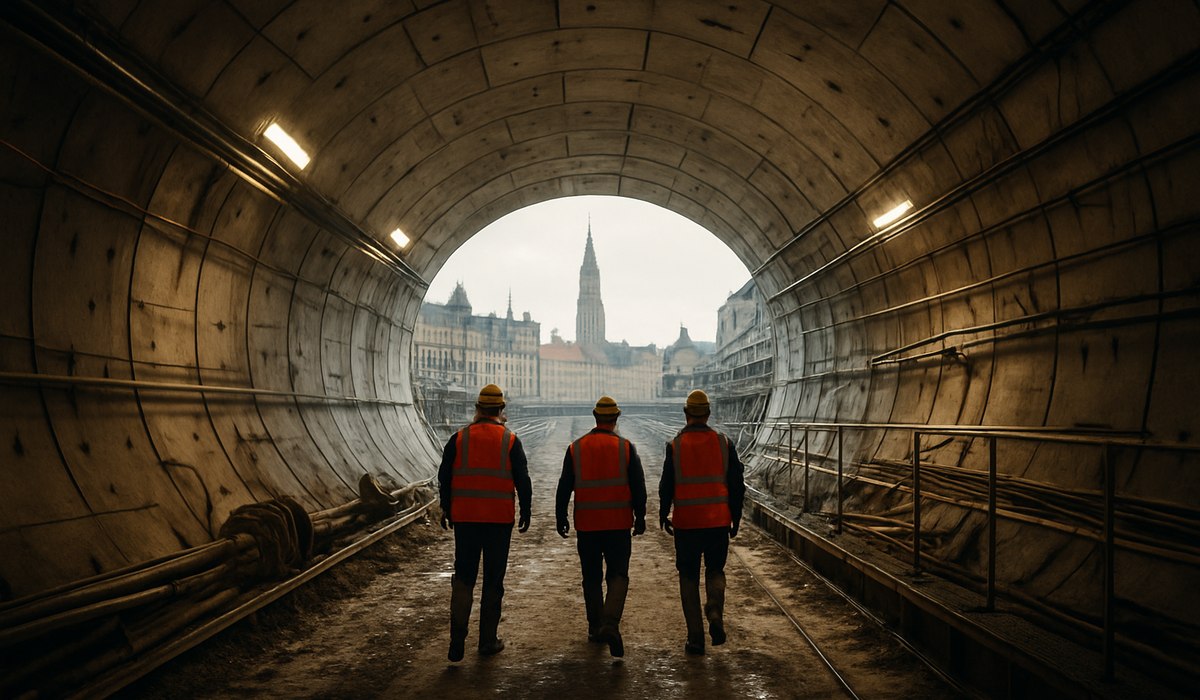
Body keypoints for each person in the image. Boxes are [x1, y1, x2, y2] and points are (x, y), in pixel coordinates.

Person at [438, 384, 532, 662]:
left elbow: (445, 477)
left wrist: (446, 508)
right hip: (498, 520)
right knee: (493, 579)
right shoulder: (510, 441)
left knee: (464, 577)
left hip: (465, 519)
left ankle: (457, 641)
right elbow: (522, 480)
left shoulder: (458, 439)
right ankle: (487, 641)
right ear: (501, 410)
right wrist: (526, 510)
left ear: (477, 409)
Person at [556, 396, 647, 658]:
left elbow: (564, 487)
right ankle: (610, 623)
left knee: (591, 577)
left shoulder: (576, 448)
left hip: (587, 525)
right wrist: (640, 518)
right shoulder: (626, 448)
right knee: (618, 575)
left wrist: (560, 516)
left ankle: (596, 628)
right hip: (618, 524)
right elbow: (638, 488)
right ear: (616, 419)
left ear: (595, 417)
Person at [659, 389, 745, 656]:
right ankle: (715, 610)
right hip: (718, 520)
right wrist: (736, 516)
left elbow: (666, 486)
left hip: (686, 523)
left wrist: (663, 512)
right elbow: (737, 485)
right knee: (715, 570)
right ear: (708, 414)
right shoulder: (724, 443)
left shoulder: (675, 445)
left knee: (688, 577)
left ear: (686, 414)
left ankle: (695, 638)